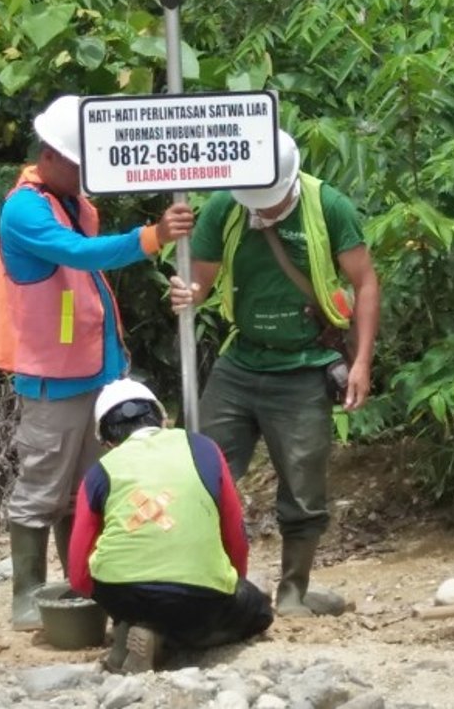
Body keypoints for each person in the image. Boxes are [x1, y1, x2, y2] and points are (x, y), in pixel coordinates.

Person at [0, 94, 194, 630]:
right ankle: (27, 596)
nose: (87, 173)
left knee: (85, 490)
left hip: (95, 372)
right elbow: (80, 255)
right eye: (81, 162)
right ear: (53, 155)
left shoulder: (75, 202)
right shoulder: (25, 208)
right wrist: (150, 238)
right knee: (41, 489)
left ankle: (78, 585)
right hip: (52, 380)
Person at [169, 129, 380, 616]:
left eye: (270, 202)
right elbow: (200, 280)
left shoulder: (328, 206)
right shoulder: (226, 206)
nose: (261, 211)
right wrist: (188, 295)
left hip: (304, 366)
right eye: (255, 204)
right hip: (241, 360)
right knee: (198, 468)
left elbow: (365, 281)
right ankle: (208, 582)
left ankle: (292, 592)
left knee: (304, 487)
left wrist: (363, 362)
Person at [67, 379, 273, 672]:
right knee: (259, 612)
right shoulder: (204, 448)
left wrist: (111, 601)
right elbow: (234, 535)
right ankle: (171, 638)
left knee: (143, 600)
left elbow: (77, 573)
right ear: (163, 419)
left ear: (106, 441)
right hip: (198, 594)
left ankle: (135, 628)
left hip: (121, 594)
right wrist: (231, 581)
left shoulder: (99, 472)